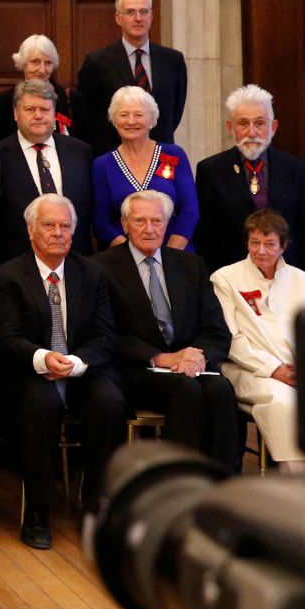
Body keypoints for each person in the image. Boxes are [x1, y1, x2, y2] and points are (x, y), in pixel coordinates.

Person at [0, 194, 124, 550]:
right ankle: (37, 511)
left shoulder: (93, 272)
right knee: (40, 404)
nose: (58, 233)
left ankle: (96, 507)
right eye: (49, 225)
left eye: (66, 226)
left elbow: (106, 336)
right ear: (31, 230)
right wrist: (44, 358)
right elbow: (6, 339)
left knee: (109, 401)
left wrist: (77, 363)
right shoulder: (8, 276)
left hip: (81, 368)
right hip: (30, 371)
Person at [95, 190, 235, 468]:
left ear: (167, 224)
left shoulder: (191, 265)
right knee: (187, 390)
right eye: (140, 221)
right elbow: (106, 335)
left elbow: (216, 329)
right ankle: (178, 485)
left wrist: (198, 355)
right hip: (135, 371)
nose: (149, 229)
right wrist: (161, 358)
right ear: (124, 224)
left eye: (157, 221)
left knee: (221, 389)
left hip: (189, 368)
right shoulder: (101, 267)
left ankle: (222, 484)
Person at [211, 210, 305, 472]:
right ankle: (297, 480)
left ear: (283, 245)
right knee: (284, 402)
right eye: (254, 242)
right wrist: (274, 369)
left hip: (297, 372)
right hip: (249, 370)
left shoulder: (301, 279)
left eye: (269, 243)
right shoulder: (224, 278)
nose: (261, 251)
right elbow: (231, 337)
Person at [194, 84, 305, 281]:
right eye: (243, 123)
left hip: (286, 278)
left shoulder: (297, 170)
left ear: (273, 127)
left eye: (259, 123)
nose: (251, 132)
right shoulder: (210, 171)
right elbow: (205, 239)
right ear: (230, 127)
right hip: (231, 281)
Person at [0, 80, 94, 268]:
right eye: (30, 109)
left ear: (54, 113)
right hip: (17, 266)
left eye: (45, 110)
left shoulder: (80, 152)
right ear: (16, 113)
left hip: (76, 264)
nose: (38, 116)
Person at [75, 0, 188, 154]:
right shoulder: (97, 62)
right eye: (130, 12)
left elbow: (175, 112)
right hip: (113, 156)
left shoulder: (173, 60)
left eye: (144, 11)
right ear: (118, 18)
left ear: (151, 16)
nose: (138, 18)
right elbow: (86, 116)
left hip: (161, 155)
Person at [90, 86, 198, 250]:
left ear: (152, 120)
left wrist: (169, 255)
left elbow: (190, 210)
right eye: (124, 115)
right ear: (115, 120)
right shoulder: (102, 164)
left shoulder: (174, 154)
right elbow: (101, 222)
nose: (131, 121)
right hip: (123, 260)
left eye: (138, 115)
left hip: (176, 254)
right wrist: (131, 257)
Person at [0, 34, 74, 140]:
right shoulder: (5, 100)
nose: (42, 70)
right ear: (23, 63)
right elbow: (1, 143)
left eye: (48, 62)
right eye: (35, 62)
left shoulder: (72, 99)